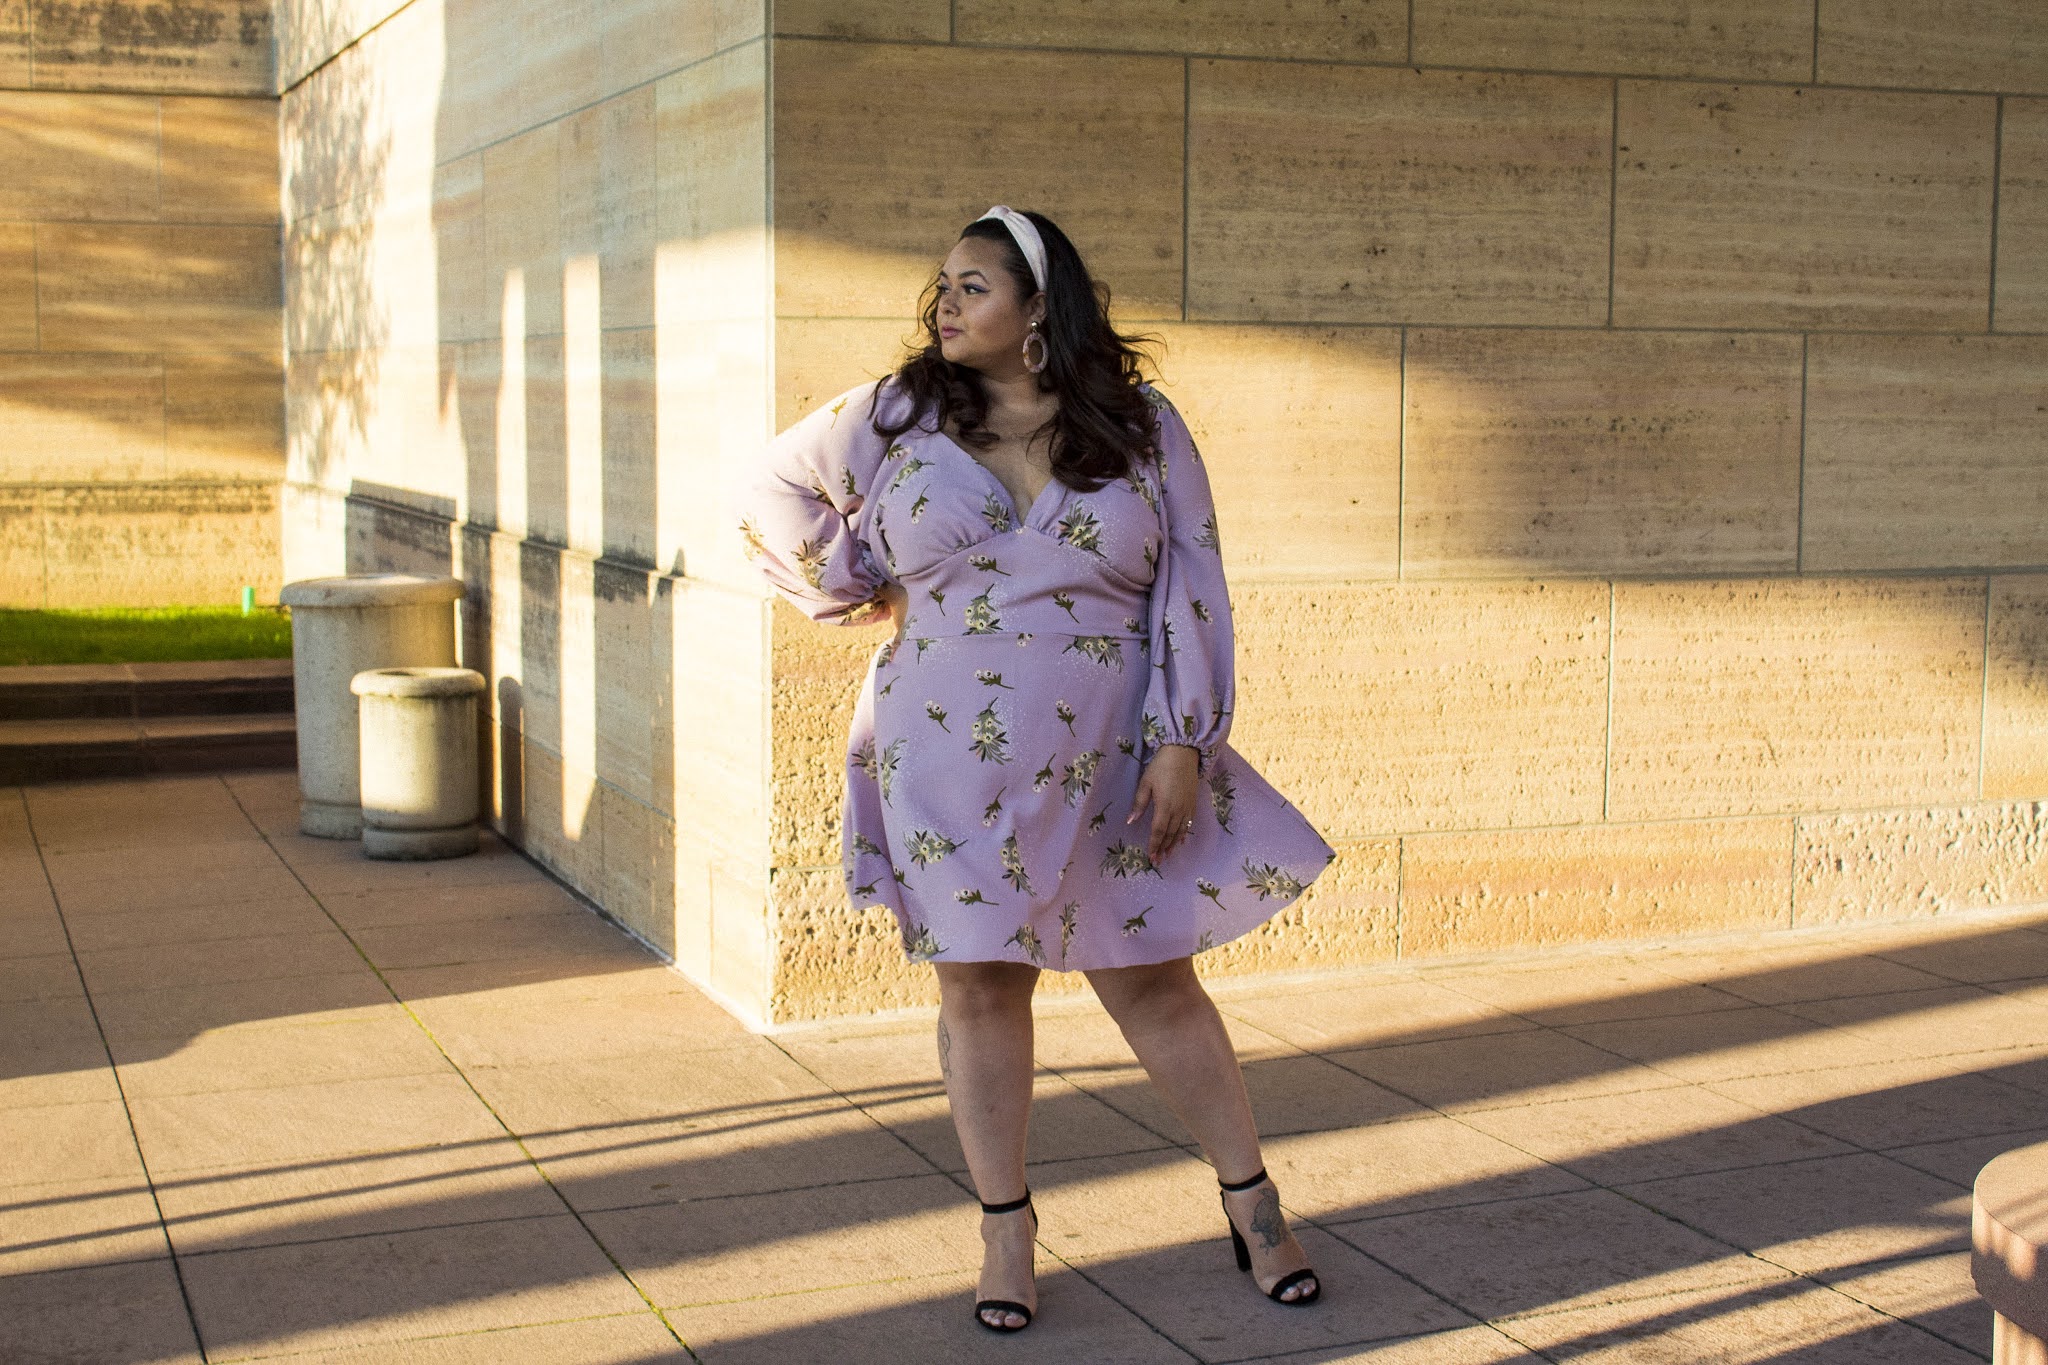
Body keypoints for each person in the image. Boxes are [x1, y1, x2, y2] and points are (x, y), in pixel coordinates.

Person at [734, 206, 1336, 1332]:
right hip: (941, 740)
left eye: (972, 287)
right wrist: (852, 583)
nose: (944, 306)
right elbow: (769, 492)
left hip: (1109, 747)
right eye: (943, 288)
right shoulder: (892, 415)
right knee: (976, 981)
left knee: (1151, 976)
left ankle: (1254, 1207)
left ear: (1037, 311)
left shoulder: (1142, 427)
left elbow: (1191, 584)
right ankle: (1003, 1231)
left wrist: (1179, 742)